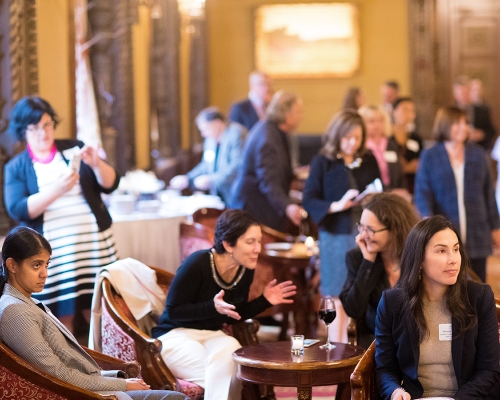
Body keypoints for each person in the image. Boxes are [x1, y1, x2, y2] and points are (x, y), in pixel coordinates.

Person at [0, 226, 187, 400]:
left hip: (90, 385)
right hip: (82, 394)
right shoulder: (15, 310)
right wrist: (121, 384)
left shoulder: (25, 300)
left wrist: (115, 376)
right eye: (36, 265)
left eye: (46, 265)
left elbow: (67, 361)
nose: (45, 273)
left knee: (176, 397)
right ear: (12, 265)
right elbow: (56, 374)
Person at [151, 209, 297, 400]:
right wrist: (211, 308)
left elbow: (235, 314)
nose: (258, 249)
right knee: (228, 376)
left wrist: (264, 300)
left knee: (231, 347)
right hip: (175, 335)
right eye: (250, 242)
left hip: (213, 335)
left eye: (259, 241)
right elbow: (174, 312)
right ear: (228, 244)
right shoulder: (198, 263)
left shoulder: (245, 269)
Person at [4, 96, 119, 335]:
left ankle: (103, 354)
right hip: (55, 250)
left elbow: (110, 184)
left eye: (47, 125)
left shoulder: (73, 148)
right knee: (60, 313)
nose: (43, 133)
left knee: (98, 303)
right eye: (34, 128)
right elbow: (18, 208)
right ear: (23, 131)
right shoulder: (17, 166)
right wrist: (58, 190)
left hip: (93, 244)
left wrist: (97, 164)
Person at [375, 216, 500, 399]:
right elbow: (384, 369)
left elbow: (489, 370)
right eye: (441, 251)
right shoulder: (392, 302)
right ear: (419, 260)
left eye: (456, 249)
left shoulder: (478, 297)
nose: (453, 259)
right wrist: (395, 392)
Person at [302, 109, 381, 343]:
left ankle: (362, 348)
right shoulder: (323, 162)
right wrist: (336, 205)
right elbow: (309, 199)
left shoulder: (368, 159)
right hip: (335, 235)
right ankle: (337, 349)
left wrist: (371, 197)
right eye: (348, 138)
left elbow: (379, 189)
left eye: (357, 137)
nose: (353, 143)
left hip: (365, 234)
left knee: (365, 291)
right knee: (336, 293)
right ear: (337, 136)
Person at [414, 106, 500, 282]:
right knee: (448, 285)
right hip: (445, 233)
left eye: (466, 123)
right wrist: (428, 221)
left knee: (477, 287)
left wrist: (496, 230)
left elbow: (489, 195)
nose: (463, 127)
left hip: (477, 233)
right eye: (457, 123)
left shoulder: (478, 154)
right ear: (444, 125)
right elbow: (422, 192)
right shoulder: (430, 155)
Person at [339, 192, 419, 349]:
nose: (363, 235)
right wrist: (368, 262)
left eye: (371, 230)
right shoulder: (357, 258)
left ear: (395, 229)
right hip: (377, 344)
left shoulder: (418, 256)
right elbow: (353, 309)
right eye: (361, 227)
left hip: (416, 340)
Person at [229, 90, 305, 232]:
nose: (302, 116)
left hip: (261, 206)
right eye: (299, 112)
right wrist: (287, 206)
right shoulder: (268, 139)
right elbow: (269, 182)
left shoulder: (275, 131)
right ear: (287, 116)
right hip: (254, 209)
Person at [169, 107, 247, 202]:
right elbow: (206, 164)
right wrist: (188, 178)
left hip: (236, 193)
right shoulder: (210, 140)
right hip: (219, 195)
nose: (203, 134)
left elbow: (237, 166)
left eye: (205, 129)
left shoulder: (236, 133)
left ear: (218, 124)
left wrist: (211, 180)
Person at [358, 105, 407, 192]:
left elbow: (399, 171)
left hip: (393, 190)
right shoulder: (361, 146)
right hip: (371, 193)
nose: (377, 125)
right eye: (372, 121)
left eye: (380, 121)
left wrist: (401, 189)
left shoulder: (391, 144)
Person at [452, 75, 496, 150]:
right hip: (457, 149)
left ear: (470, 92)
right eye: (461, 93)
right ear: (455, 94)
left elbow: (492, 131)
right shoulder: (450, 112)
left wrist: (481, 134)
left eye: (466, 93)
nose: (463, 96)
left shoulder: (482, 110)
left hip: (479, 148)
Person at [390, 97, 423, 193]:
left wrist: (407, 167)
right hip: (394, 188)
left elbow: (420, 163)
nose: (409, 114)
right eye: (405, 109)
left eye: (412, 111)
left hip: (413, 187)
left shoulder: (415, 138)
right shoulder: (387, 138)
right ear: (393, 111)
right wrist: (405, 168)